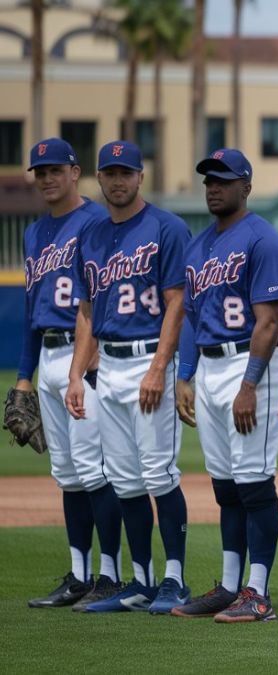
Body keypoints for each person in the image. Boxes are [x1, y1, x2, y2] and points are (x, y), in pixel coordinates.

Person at [65, 140, 192, 614]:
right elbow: (86, 311)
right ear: (98, 178)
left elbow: (177, 302)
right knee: (124, 480)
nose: (118, 181)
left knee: (158, 474)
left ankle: (174, 579)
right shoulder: (92, 236)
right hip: (108, 366)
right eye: (109, 173)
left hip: (146, 359)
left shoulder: (166, 227)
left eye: (126, 172)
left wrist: (160, 367)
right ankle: (140, 581)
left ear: (141, 176)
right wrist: (77, 375)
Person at [170, 149, 278, 622]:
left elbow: (269, 322)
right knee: (225, 486)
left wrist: (250, 385)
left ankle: (257, 593)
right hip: (210, 368)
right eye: (208, 180)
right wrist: (184, 374)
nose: (213, 186)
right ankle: (227, 585)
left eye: (223, 179)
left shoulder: (262, 240)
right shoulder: (198, 246)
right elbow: (191, 319)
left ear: (246, 186)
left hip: (249, 363)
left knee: (255, 483)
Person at [17, 138, 124, 610]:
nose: (47, 178)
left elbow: (105, 293)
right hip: (50, 358)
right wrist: (24, 376)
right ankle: (80, 574)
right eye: (40, 172)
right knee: (67, 474)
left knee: (94, 469)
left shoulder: (98, 221)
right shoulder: (34, 234)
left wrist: (93, 354)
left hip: (88, 356)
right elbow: (31, 310)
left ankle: (111, 575)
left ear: (75, 172)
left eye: (55, 169)